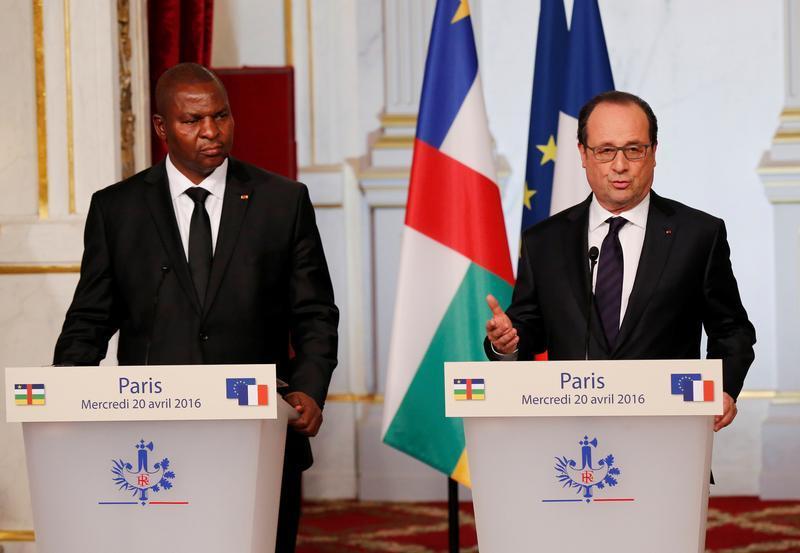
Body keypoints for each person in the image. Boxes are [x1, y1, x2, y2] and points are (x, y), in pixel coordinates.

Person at [53, 62, 339, 551]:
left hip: (258, 434)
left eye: (221, 116)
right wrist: (64, 401)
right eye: (192, 121)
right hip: (153, 434)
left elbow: (314, 312)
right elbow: (90, 319)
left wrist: (311, 388)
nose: (211, 131)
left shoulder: (282, 201)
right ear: (163, 128)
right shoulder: (117, 209)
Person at [485, 91, 755, 432]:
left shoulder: (698, 234)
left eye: (634, 149)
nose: (620, 165)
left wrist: (724, 388)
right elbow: (531, 327)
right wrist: (508, 341)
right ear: (583, 154)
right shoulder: (545, 241)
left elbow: (732, 330)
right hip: (569, 443)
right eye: (605, 151)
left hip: (668, 437)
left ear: (653, 153)